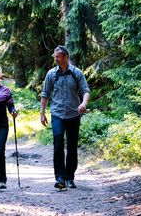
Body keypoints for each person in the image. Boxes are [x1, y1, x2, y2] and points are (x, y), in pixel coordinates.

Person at [40, 45, 90, 189]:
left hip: (74, 114)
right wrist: (42, 113)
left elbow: (85, 91)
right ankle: (60, 177)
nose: (56, 59)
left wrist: (83, 103)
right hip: (57, 114)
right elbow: (45, 94)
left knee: (72, 146)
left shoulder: (77, 73)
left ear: (66, 57)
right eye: (55, 56)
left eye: (58, 57)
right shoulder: (51, 74)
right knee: (58, 143)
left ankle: (70, 177)